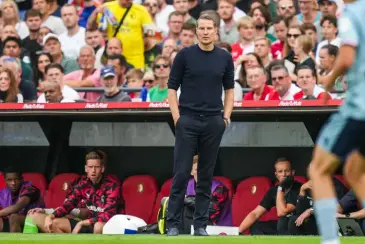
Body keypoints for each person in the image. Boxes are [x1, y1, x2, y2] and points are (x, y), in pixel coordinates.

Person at [166, 13, 234, 236]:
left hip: (213, 121)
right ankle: (173, 224)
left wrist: (226, 117)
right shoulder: (185, 55)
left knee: (205, 175)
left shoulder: (224, 57)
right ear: (196, 31)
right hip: (188, 120)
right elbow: (171, 87)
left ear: (216, 31)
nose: (205, 32)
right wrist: (177, 117)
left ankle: (201, 226)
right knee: (181, 173)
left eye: (209, 28)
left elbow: (230, 89)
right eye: (201, 28)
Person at [307, 0, 365, 243]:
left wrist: (329, 80)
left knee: (317, 170)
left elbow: (348, 56)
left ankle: (329, 240)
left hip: (358, 109)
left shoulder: (350, 14)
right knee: (354, 170)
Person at [42, 150, 122, 234]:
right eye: (90, 167)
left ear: (102, 169)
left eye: (97, 167)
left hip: (107, 224)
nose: (93, 170)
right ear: (86, 169)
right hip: (88, 222)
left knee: (98, 226)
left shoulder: (112, 186)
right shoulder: (83, 185)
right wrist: (51, 216)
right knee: (55, 223)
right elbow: (68, 205)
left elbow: (109, 214)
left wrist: (81, 223)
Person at [238, 158, 301, 235]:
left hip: (297, 225)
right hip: (281, 227)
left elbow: (282, 212)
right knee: (255, 227)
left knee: (283, 222)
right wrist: (238, 232)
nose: (284, 174)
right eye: (280, 172)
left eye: (287, 171)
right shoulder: (273, 191)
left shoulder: (299, 188)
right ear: (276, 175)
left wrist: (281, 187)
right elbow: (255, 213)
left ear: (292, 172)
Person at [0, 166, 44, 232]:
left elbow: (17, 207)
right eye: (9, 180)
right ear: (5, 181)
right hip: (13, 222)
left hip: (36, 220)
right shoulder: (2, 193)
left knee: (14, 217)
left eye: (16, 179)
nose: (13, 183)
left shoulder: (30, 189)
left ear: (22, 179)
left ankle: (15, 242)